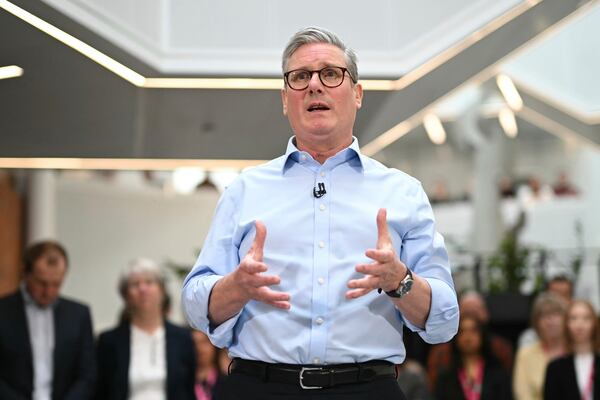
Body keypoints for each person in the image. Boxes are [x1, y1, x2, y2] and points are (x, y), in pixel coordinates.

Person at [181, 26, 459, 399]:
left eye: (330, 73)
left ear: (357, 93)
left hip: (366, 389)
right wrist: (236, 287)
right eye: (299, 77)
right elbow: (196, 306)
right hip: (259, 387)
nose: (314, 85)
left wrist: (400, 280)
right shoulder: (245, 190)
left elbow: (444, 320)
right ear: (285, 99)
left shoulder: (402, 192)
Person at [0, 240, 96, 399]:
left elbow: (87, 374)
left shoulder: (78, 314)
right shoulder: (3, 311)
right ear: (25, 272)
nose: (49, 291)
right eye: (41, 283)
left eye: (56, 284)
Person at [96, 258, 196, 400]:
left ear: (162, 291)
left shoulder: (182, 337)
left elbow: (188, 390)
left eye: (149, 282)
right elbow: (101, 392)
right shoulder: (109, 341)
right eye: (135, 284)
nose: (143, 289)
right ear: (126, 295)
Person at [427, 291, 513, 390]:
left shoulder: (500, 349)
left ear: (486, 314)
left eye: (476, 311)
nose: (468, 337)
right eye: (466, 311)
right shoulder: (441, 354)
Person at [435, 314, 512, 400]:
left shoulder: (497, 372)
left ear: (482, 335)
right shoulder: (446, 375)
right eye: (462, 331)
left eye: (473, 331)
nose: (468, 337)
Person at [513, 292, 568, 400]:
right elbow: (523, 395)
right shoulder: (525, 354)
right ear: (536, 323)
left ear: (567, 319)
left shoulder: (576, 351)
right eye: (543, 315)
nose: (549, 320)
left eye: (555, 313)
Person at [543, 300, 600, 400]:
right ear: (566, 324)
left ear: (595, 323)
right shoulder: (555, 368)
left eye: (586, 318)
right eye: (573, 318)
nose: (580, 324)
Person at [517, 275, 573, 348]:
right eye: (555, 295)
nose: (559, 300)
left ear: (571, 300)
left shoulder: (578, 333)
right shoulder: (530, 338)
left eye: (564, 295)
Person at [192, 330, 226, 400]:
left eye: (204, 342)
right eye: (194, 343)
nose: (199, 348)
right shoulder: (181, 385)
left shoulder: (227, 384)